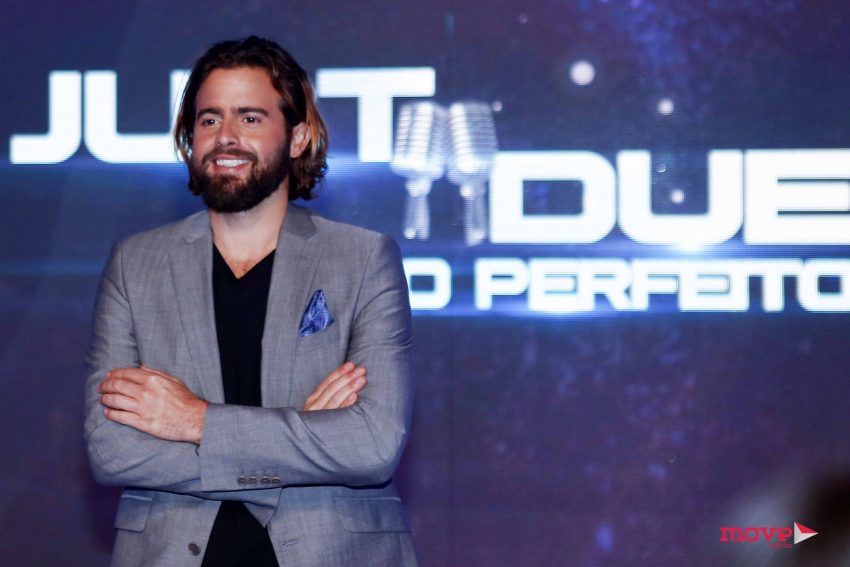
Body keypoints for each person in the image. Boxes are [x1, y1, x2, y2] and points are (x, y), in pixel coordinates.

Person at [84, 36, 417, 566]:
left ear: (297, 137)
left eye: (251, 118)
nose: (226, 137)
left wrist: (195, 421)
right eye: (209, 119)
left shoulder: (362, 259)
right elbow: (112, 449)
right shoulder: (134, 263)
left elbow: (372, 445)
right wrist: (302, 434)